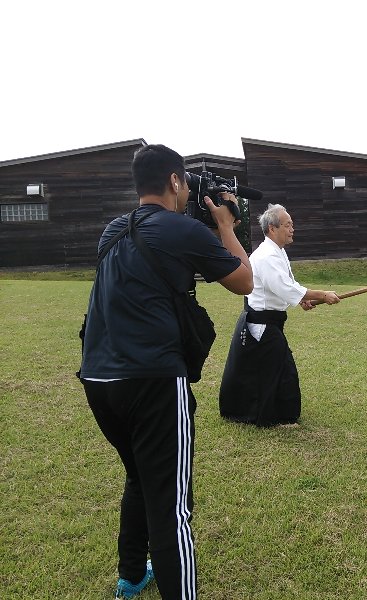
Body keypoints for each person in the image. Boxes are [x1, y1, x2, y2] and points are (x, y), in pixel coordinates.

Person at [78, 144, 253, 599]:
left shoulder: (111, 231)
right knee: (171, 508)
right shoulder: (181, 229)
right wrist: (226, 225)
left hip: (98, 379)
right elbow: (244, 280)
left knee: (140, 476)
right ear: (177, 182)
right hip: (153, 382)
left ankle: (132, 576)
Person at [219, 204, 340, 426]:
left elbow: (287, 285)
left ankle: (282, 414)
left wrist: (304, 298)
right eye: (287, 225)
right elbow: (284, 288)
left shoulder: (278, 251)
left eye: (292, 224)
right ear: (272, 229)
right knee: (276, 369)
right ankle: (267, 415)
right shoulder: (266, 255)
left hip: (270, 321)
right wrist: (322, 294)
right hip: (261, 324)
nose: (292, 228)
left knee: (279, 367)